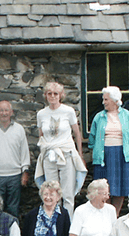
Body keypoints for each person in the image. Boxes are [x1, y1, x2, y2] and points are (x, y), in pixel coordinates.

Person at [35, 81, 87, 218]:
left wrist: (80, 154)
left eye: (55, 93)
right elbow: (41, 135)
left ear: (61, 95)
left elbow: (76, 133)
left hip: (66, 153)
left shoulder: (68, 111)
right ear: (45, 95)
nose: (53, 96)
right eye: (49, 94)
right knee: (51, 191)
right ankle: (54, 223)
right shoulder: (41, 114)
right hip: (49, 155)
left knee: (67, 193)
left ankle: (68, 225)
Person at [89, 86, 129, 216]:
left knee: (121, 187)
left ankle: (115, 215)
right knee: (103, 187)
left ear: (115, 100)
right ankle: (105, 214)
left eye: (106, 99)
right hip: (104, 156)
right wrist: (95, 151)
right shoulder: (99, 117)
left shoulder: (127, 116)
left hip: (122, 155)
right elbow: (92, 137)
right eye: (103, 99)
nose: (103, 102)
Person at [0, 100, 31, 217]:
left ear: (11, 112)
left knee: (13, 209)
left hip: (15, 176)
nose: (4, 113)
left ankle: (13, 233)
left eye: (6, 110)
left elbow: (24, 152)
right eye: (1, 110)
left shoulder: (19, 129)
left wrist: (25, 172)